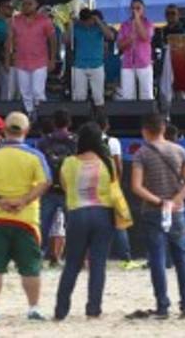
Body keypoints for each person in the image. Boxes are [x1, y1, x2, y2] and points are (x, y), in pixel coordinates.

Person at [0, 111, 51, 322]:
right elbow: (45, 182)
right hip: (27, 220)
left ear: (4, 131)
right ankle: (33, 308)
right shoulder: (35, 157)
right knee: (31, 268)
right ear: (26, 131)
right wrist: (24, 200)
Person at [54, 121, 129, 320]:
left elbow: (64, 185)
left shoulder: (69, 162)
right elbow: (115, 185)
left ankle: (61, 310)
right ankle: (93, 309)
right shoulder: (107, 162)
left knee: (72, 264)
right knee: (98, 264)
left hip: (78, 214)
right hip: (103, 214)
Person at [129, 113, 185, 319]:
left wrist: (159, 201)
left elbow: (136, 186)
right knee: (181, 258)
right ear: (164, 129)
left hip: (153, 211)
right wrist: (176, 199)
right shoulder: (179, 150)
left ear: (145, 131)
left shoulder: (142, 154)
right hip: (176, 212)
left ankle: (163, 305)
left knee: (157, 259)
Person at [98, 115, 141, 271]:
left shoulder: (84, 141)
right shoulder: (112, 142)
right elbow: (118, 165)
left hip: (92, 188)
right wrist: (117, 183)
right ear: (107, 126)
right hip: (111, 186)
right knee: (120, 223)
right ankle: (126, 258)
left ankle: (94, 259)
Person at [37, 110, 77, 267]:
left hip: (48, 190)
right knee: (73, 227)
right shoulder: (76, 142)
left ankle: (36, 258)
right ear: (69, 124)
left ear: (53, 124)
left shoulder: (43, 143)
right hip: (69, 191)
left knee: (42, 226)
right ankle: (75, 258)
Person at [6, 0, 59, 115]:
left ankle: (43, 115)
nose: (25, 6)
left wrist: (52, 59)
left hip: (40, 61)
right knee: (25, 92)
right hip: (21, 61)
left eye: (29, 4)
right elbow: (10, 39)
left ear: (36, 6)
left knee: (37, 91)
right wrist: (9, 57)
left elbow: (53, 40)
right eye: (23, 4)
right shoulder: (15, 20)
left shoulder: (44, 20)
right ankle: (30, 115)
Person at [66, 8, 114, 107]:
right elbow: (66, 40)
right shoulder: (77, 27)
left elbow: (110, 36)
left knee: (98, 97)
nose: (87, 24)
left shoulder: (99, 28)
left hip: (97, 65)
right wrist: (71, 25)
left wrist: (98, 21)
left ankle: (100, 119)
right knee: (79, 97)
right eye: (85, 21)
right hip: (79, 66)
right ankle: (80, 119)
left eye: (89, 20)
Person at [154, 4, 185, 111]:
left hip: (181, 63)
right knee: (165, 92)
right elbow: (154, 47)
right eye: (168, 14)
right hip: (164, 65)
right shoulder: (160, 32)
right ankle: (166, 115)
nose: (170, 16)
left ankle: (183, 115)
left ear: (178, 15)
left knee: (181, 93)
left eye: (173, 13)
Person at [116, 0, 154, 101]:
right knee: (128, 96)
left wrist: (137, 20)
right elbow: (119, 45)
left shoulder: (148, 24)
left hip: (144, 63)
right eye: (133, 8)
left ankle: (147, 117)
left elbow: (145, 36)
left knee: (146, 95)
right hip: (127, 64)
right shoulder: (124, 25)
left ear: (143, 9)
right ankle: (130, 117)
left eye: (138, 8)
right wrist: (129, 39)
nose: (135, 10)